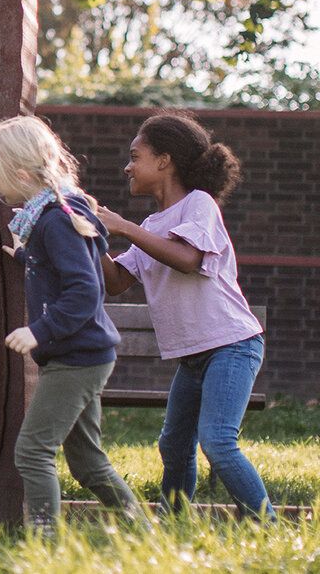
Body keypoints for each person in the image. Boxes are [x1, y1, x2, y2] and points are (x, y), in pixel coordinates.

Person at [97, 112, 273, 520]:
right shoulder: (152, 224)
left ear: (164, 160)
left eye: (134, 156)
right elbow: (118, 281)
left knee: (217, 442)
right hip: (194, 360)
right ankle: (175, 523)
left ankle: (265, 523)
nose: (127, 166)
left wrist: (123, 227)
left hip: (232, 346)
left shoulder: (199, 204)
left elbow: (188, 258)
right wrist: (90, 237)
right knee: (173, 445)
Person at [0, 115, 143, 534]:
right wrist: (23, 257)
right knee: (88, 461)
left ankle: (43, 542)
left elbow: (84, 291)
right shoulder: (53, 215)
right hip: (82, 354)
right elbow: (65, 270)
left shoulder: (55, 219)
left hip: (77, 356)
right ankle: (142, 532)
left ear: (20, 174)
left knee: (33, 450)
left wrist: (39, 330)